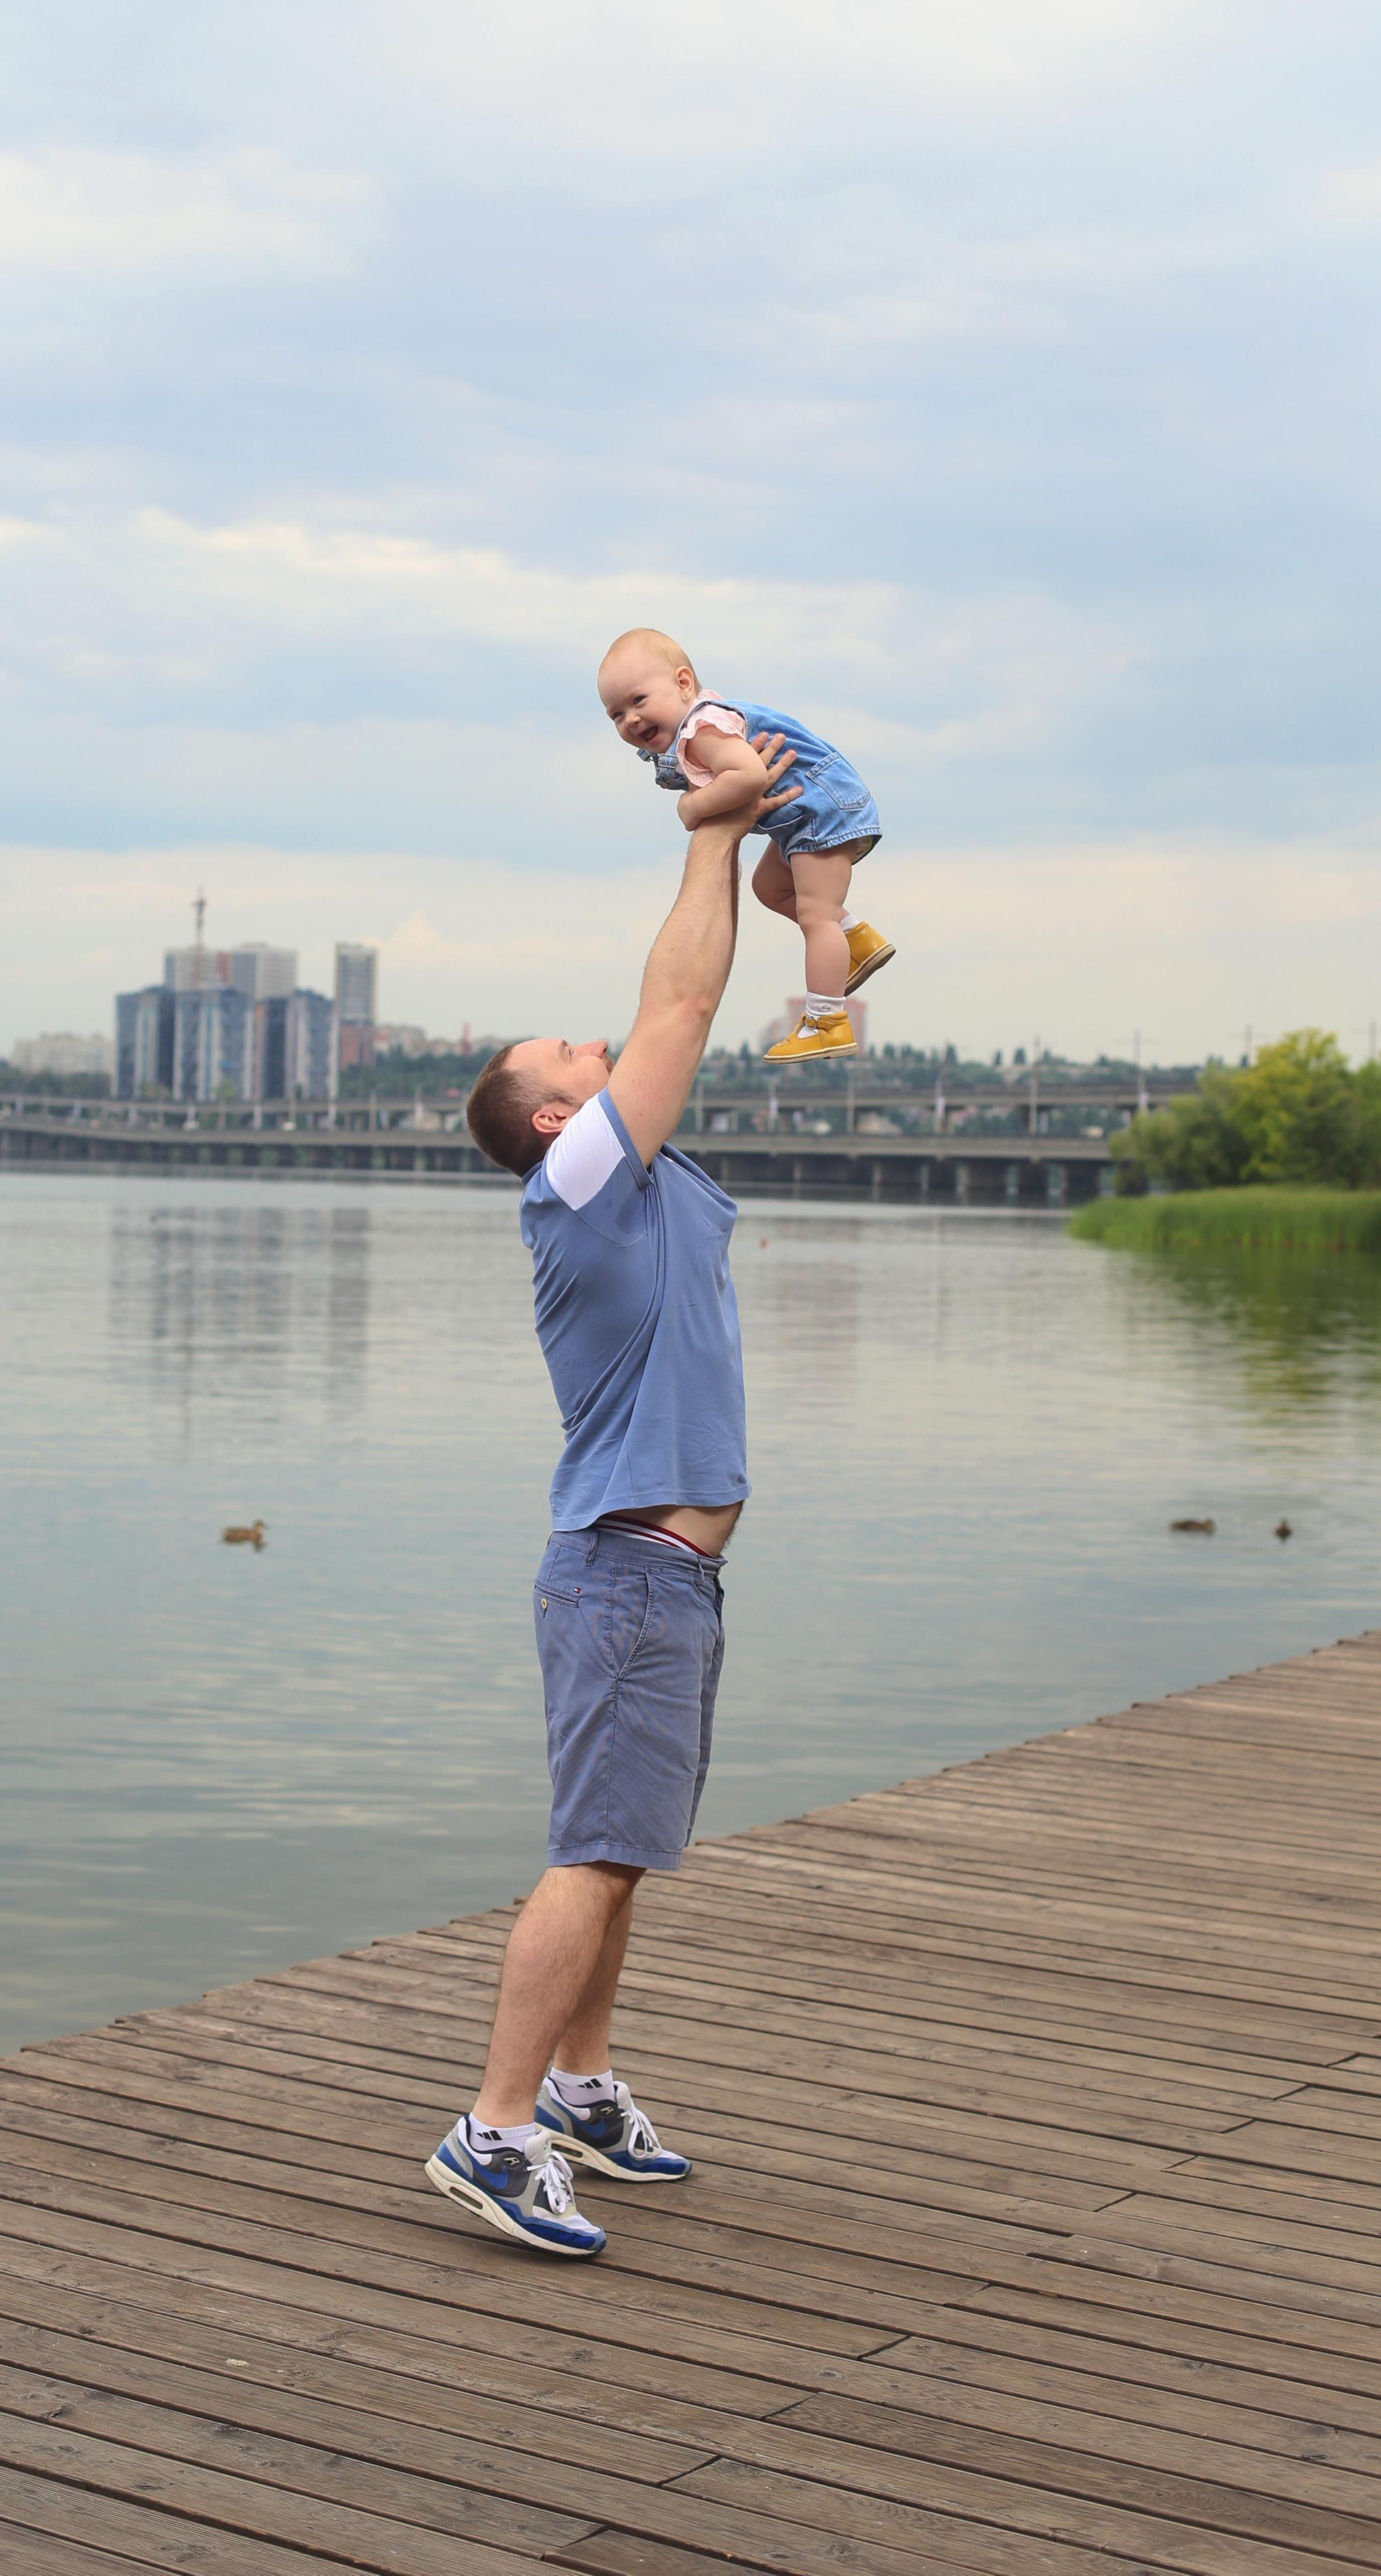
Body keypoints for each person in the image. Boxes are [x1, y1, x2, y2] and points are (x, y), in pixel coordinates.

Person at [427, 747, 794, 2256]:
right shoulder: (575, 1182)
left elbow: (685, 1014)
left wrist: (767, 861)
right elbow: (682, 1007)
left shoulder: (634, 1180)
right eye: (569, 1051)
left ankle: (575, 2089)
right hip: (625, 1575)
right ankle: (493, 2130)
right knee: (591, 1853)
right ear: (549, 1119)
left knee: (621, 1852)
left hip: (659, 1579)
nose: (598, 1043)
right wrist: (709, 835)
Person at [598, 625, 892, 1066]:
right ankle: (856, 940)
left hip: (821, 809)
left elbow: (749, 776)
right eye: (616, 715)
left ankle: (827, 1022)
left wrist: (691, 807)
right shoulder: (699, 725)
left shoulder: (701, 729)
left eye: (639, 700)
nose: (631, 720)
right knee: (769, 888)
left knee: (816, 915)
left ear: (683, 684)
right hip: (804, 813)